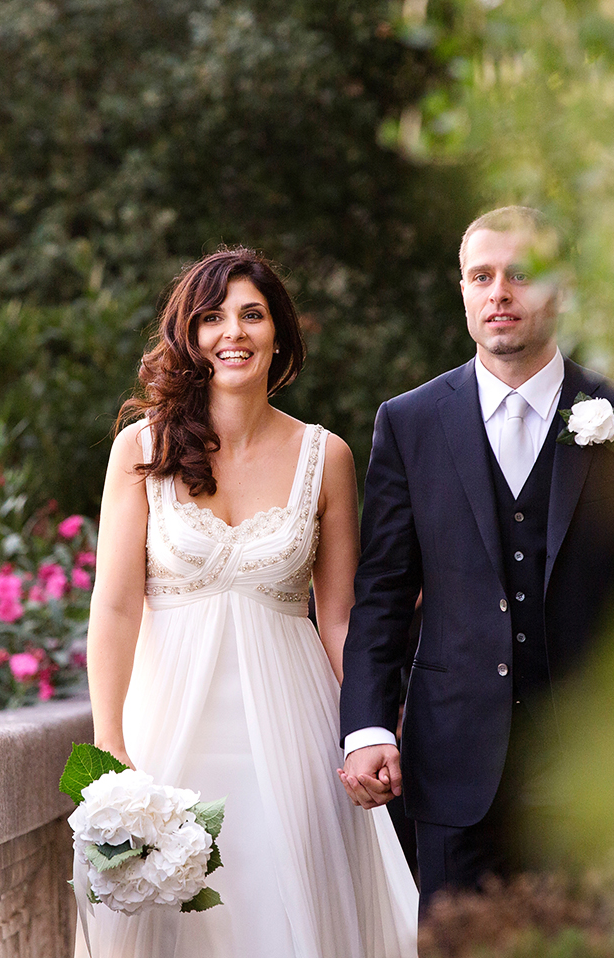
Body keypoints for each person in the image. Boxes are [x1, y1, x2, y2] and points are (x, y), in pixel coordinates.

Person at [338, 206, 614, 912]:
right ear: (462, 292)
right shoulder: (410, 422)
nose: (499, 292)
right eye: (480, 276)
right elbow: (384, 589)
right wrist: (364, 727)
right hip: (452, 760)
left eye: (520, 275)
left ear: (561, 291)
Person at [81, 247, 419, 957]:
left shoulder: (325, 457)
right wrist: (109, 741)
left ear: (279, 334)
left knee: (282, 915)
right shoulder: (140, 450)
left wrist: (371, 725)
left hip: (296, 731)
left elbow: (339, 616)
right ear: (190, 336)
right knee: (173, 925)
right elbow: (114, 607)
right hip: (168, 732)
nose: (232, 332)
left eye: (252, 315)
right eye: (212, 317)